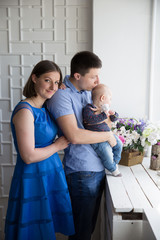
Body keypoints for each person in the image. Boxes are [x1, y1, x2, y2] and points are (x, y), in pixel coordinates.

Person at [46, 51, 117, 240]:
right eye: (93, 76)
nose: (97, 80)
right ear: (77, 76)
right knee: (81, 233)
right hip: (82, 172)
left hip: (97, 168)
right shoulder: (61, 96)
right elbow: (74, 136)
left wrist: (107, 123)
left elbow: (103, 124)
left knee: (88, 229)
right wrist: (107, 135)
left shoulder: (88, 94)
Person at [5, 60, 75, 240]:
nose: (53, 86)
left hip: (50, 173)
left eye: (56, 82)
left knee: (47, 229)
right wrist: (57, 146)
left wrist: (63, 90)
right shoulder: (25, 111)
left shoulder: (45, 108)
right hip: (33, 176)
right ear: (34, 78)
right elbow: (28, 156)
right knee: (33, 231)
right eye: (47, 80)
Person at [82, 84, 123, 177]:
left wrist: (114, 114)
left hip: (109, 135)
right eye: (110, 99)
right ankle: (112, 169)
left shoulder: (106, 110)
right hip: (98, 139)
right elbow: (90, 120)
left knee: (119, 145)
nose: (111, 102)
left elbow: (114, 119)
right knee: (106, 152)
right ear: (103, 98)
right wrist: (104, 114)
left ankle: (114, 163)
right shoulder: (89, 108)